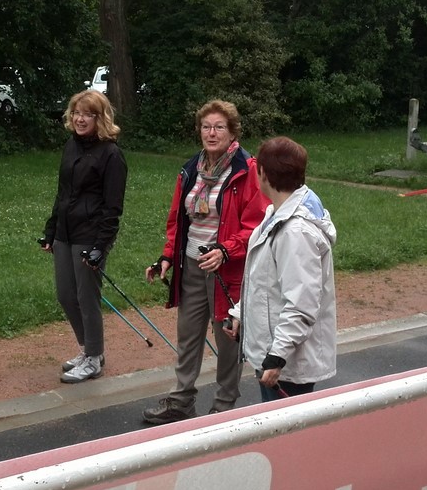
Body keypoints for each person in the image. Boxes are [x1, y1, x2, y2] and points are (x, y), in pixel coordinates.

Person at [141, 101, 268, 423]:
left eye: (219, 127)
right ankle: (182, 401)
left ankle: (224, 406)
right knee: (188, 335)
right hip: (192, 266)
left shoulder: (247, 169)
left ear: (232, 131)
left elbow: (256, 223)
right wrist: (168, 255)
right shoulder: (191, 169)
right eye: (206, 127)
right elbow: (177, 219)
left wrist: (226, 250)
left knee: (227, 339)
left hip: (228, 269)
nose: (211, 133)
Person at [225, 137, 337, 402]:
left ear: (262, 173)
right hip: (273, 352)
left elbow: (301, 303)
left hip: (286, 363)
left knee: (289, 435)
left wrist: (277, 356)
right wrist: (240, 314)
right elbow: (262, 280)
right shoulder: (276, 214)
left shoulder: (295, 232)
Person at [41, 90, 127, 384]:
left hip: (90, 234)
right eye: (76, 112)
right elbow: (62, 193)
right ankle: (88, 349)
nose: (80, 118)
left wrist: (100, 246)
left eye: (87, 114)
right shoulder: (71, 146)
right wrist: (51, 230)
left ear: (99, 118)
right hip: (65, 231)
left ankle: (94, 356)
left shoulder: (111, 155)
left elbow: (113, 207)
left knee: (85, 296)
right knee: (65, 295)